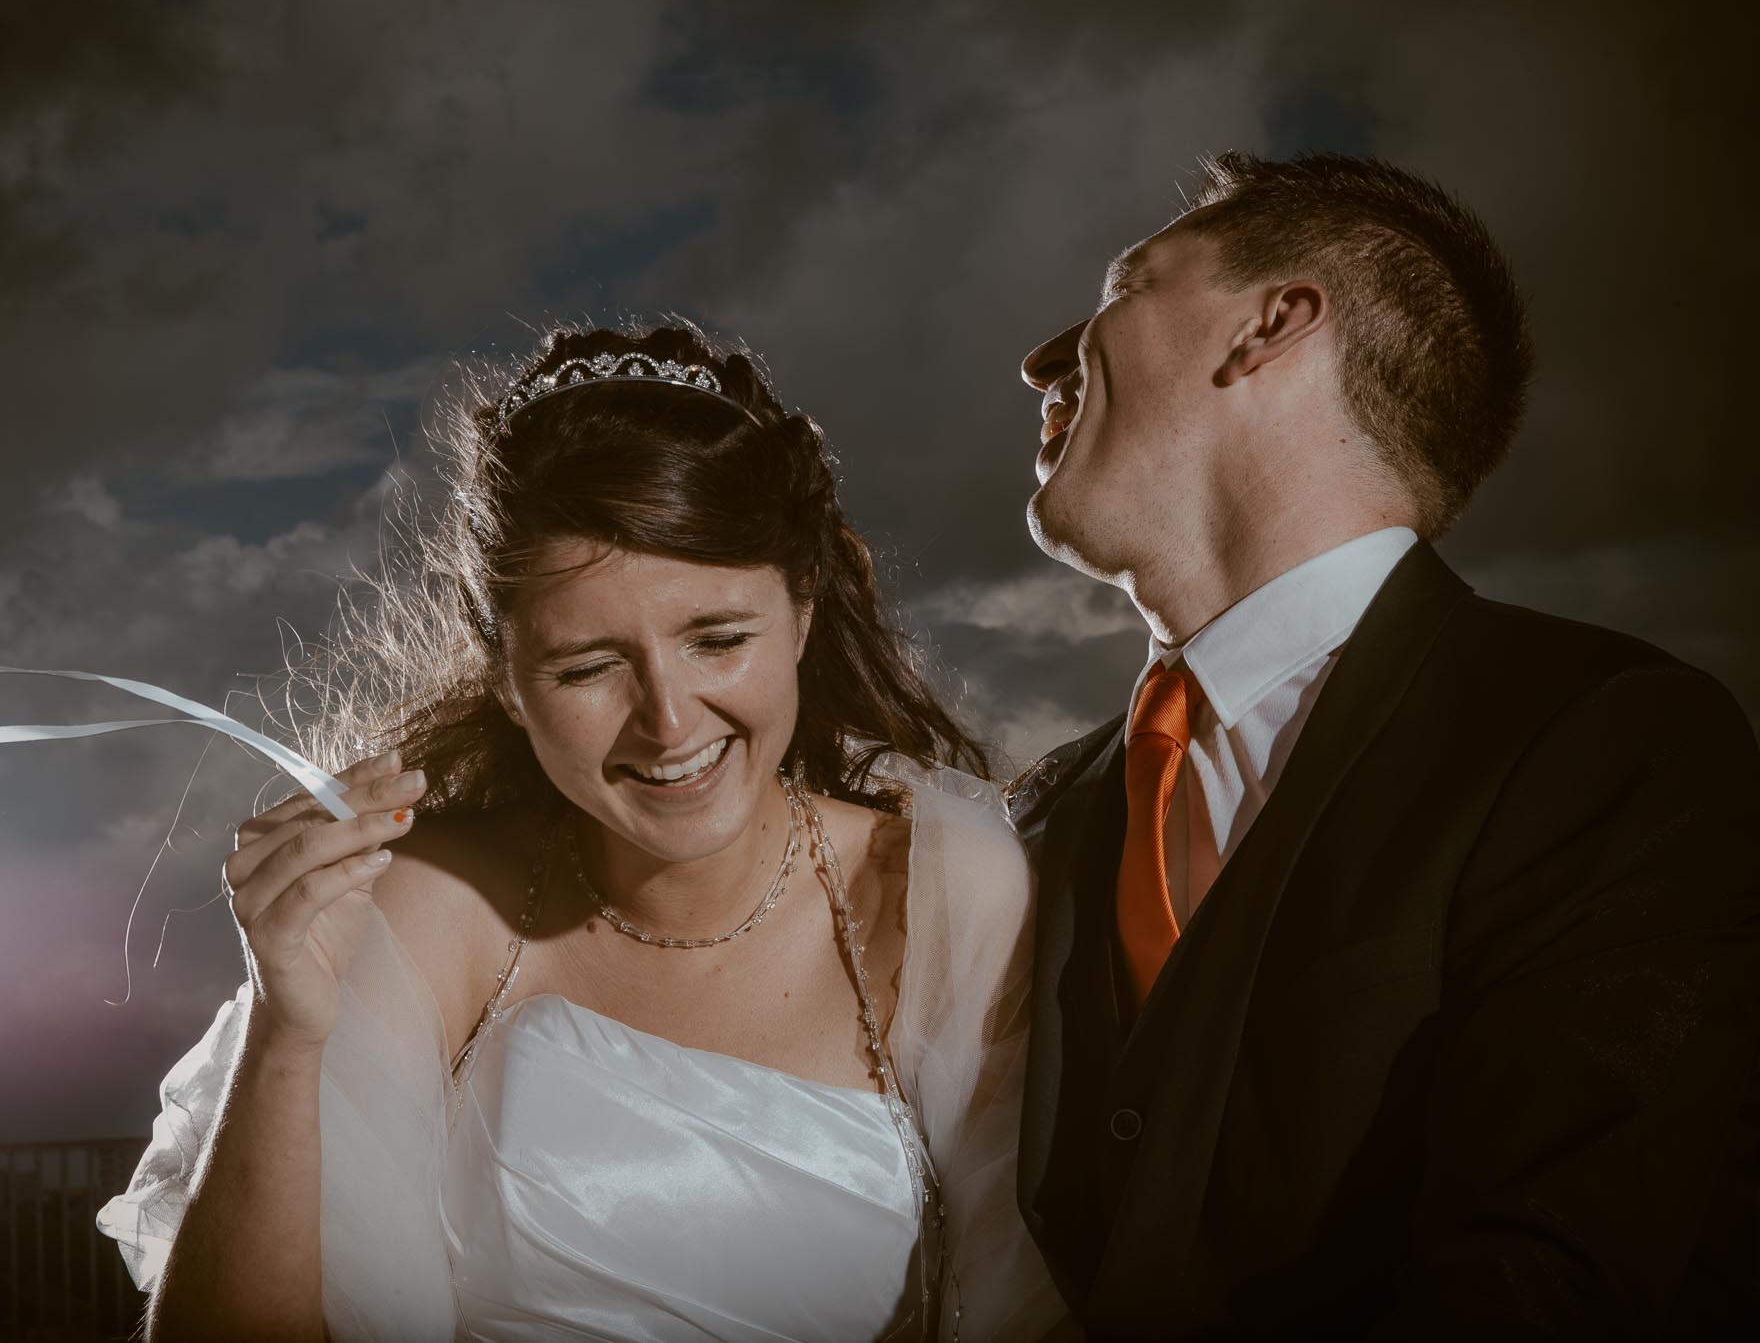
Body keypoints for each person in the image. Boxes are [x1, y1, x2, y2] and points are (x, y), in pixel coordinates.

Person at [99, 321, 1067, 1341]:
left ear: (802, 612)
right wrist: (286, 1029)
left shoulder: (948, 892)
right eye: (587, 667)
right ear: (509, 683)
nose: (669, 721)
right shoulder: (426, 908)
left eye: (717, 638)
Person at [1008, 149, 1760, 1338]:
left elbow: (1557, 1280)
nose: (1039, 359)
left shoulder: (1602, 743)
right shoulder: (1050, 804)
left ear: (1268, 326)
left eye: (1122, 287)